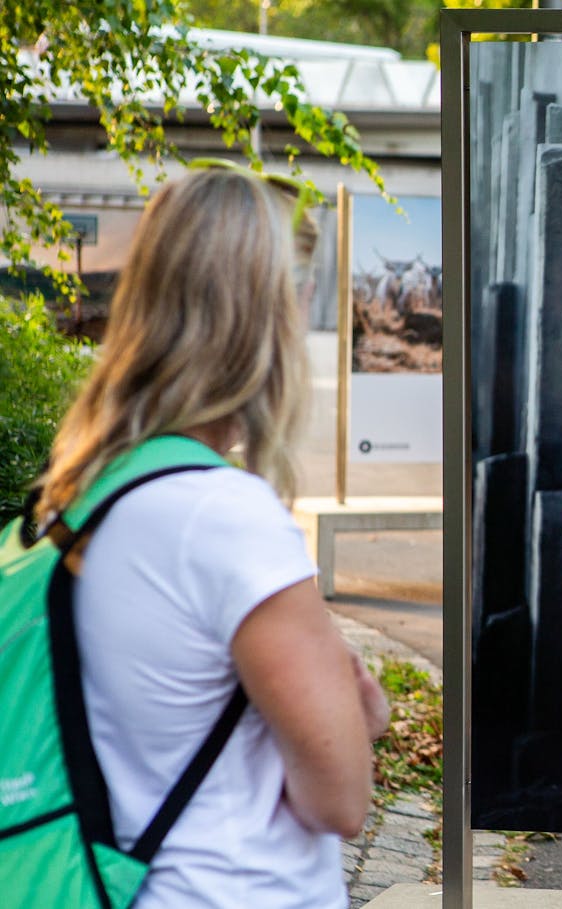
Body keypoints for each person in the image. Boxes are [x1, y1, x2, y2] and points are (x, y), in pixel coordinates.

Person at [31, 166, 390, 907]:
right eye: (302, 290)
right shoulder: (225, 517)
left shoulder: (80, 494)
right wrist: (363, 717)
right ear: (270, 314)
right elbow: (340, 799)